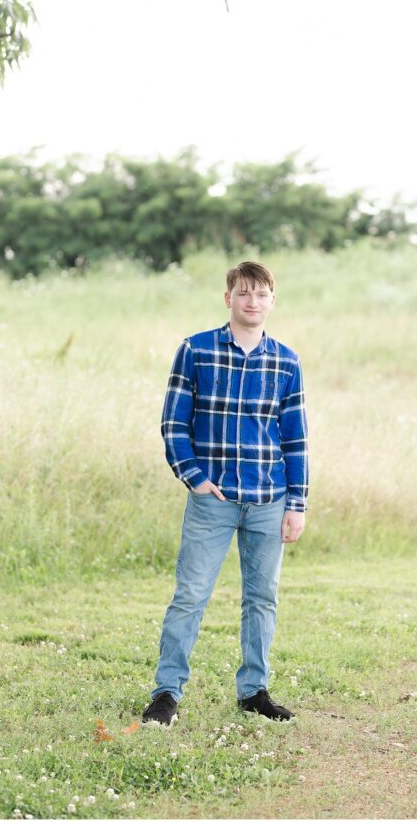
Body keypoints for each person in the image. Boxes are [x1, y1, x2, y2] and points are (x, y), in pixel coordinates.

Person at [141, 260, 309, 727]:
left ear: (272, 301)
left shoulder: (286, 361)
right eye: (243, 293)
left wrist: (296, 504)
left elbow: (294, 439)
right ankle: (166, 694)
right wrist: (193, 476)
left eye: (261, 294)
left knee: (262, 598)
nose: (252, 302)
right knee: (190, 595)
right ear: (228, 297)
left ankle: (254, 690)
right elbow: (174, 424)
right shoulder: (195, 351)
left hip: (268, 497)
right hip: (212, 499)